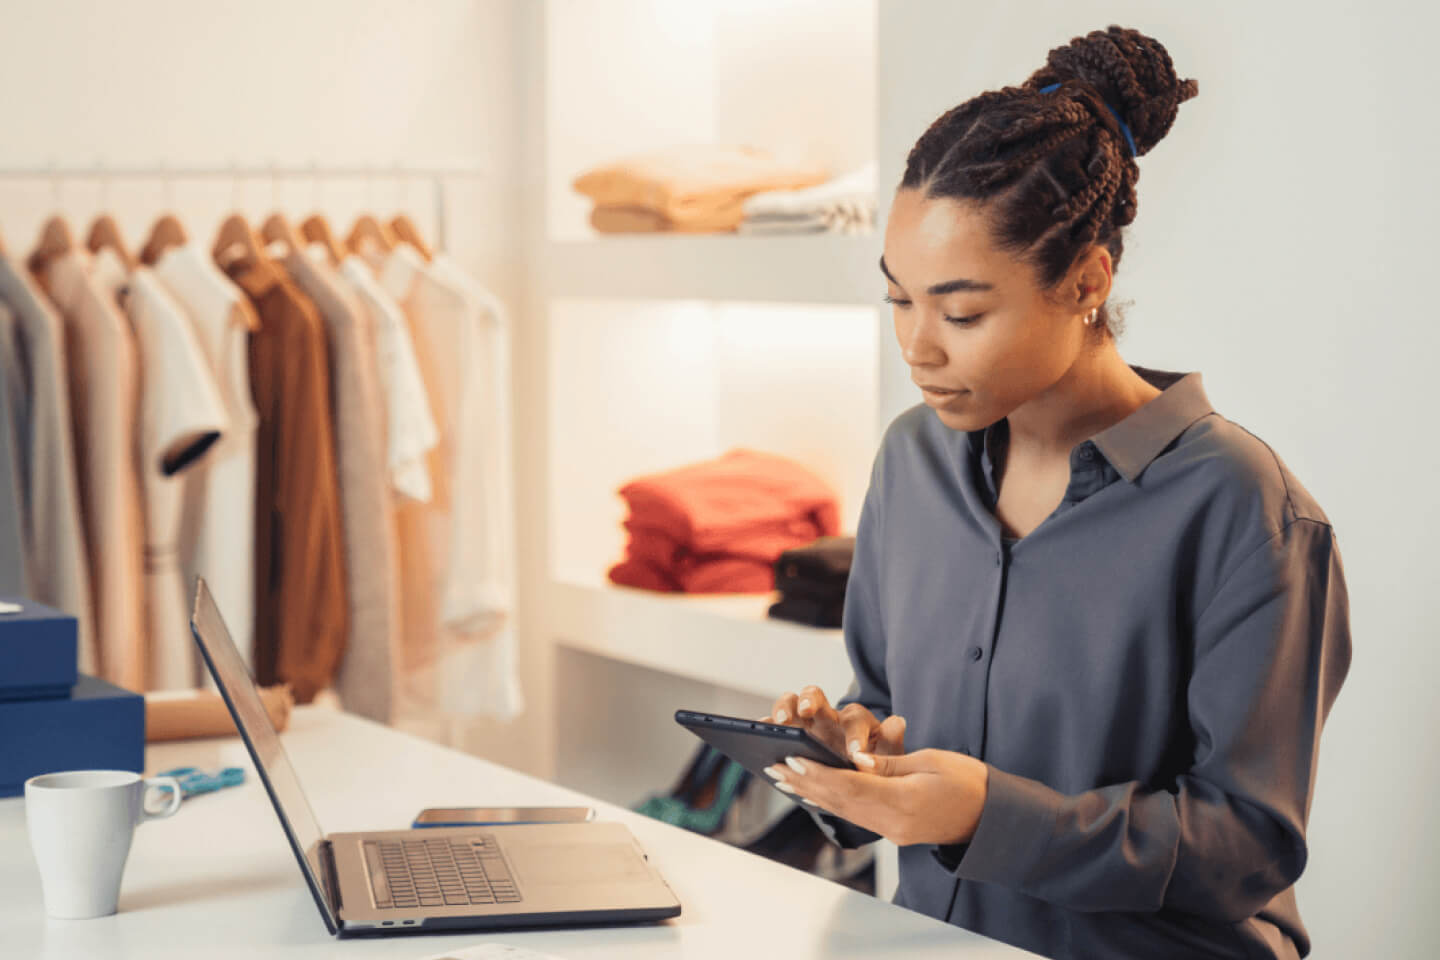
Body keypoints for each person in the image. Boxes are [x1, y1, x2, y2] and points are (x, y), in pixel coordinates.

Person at [762, 25, 1351, 960]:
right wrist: (855, 751)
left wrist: (988, 814)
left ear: (1087, 281)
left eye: (961, 312)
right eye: (899, 301)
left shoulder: (1245, 509)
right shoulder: (911, 461)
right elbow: (880, 692)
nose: (917, 347)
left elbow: (1247, 844)